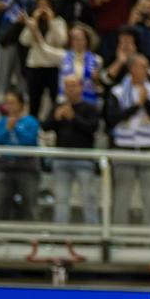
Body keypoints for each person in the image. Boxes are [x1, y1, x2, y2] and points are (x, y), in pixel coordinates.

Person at [106, 54, 150, 225]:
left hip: (149, 148)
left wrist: (145, 101)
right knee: (122, 196)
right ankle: (119, 237)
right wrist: (136, 106)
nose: (146, 70)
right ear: (132, 69)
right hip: (124, 148)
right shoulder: (117, 91)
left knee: (149, 197)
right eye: (142, 66)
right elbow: (112, 118)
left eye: (147, 66)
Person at [42, 75, 101, 224]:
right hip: (61, 158)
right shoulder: (58, 106)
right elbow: (45, 126)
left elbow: (92, 128)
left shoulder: (89, 107)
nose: (70, 89)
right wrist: (56, 118)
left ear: (81, 87)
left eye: (74, 86)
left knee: (89, 197)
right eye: (67, 86)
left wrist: (74, 117)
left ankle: (92, 235)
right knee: (61, 198)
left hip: (84, 159)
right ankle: (61, 234)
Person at [0, 89, 40, 220]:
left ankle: (31, 236)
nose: (9, 106)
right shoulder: (1, 122)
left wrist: (15, 128)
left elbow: (30, 141)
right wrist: (7, 129)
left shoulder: (30, 121)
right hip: (4, 165)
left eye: (13, 102)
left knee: (29, 202)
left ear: (21, 104)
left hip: (26, 166)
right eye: (7, 103)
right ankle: (1, 235)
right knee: (0, 201)